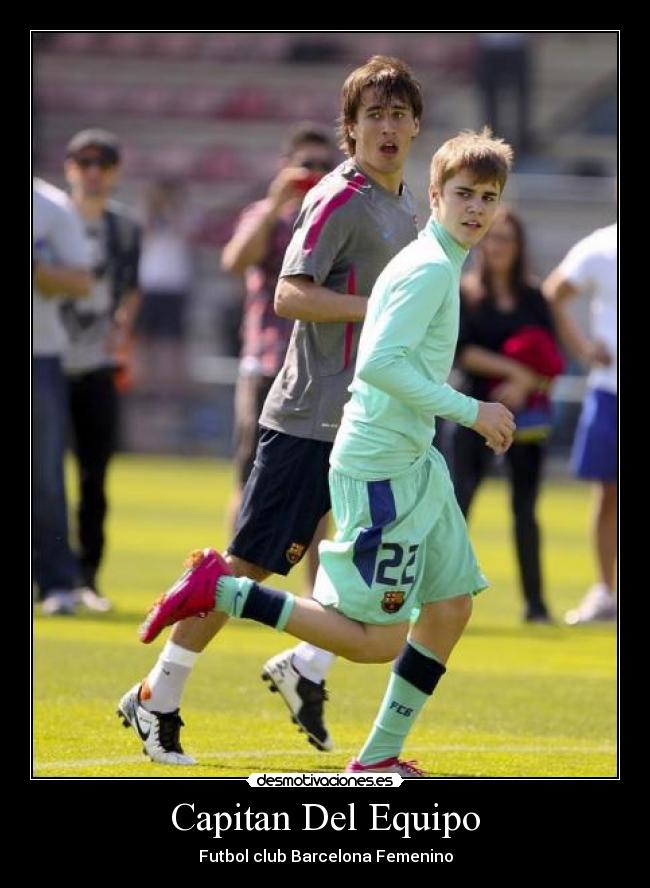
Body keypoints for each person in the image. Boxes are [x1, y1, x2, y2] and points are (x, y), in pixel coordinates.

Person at [121, 128, 515, 775]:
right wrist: (474, 411)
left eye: (488, 197)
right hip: (383, 465)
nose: (476, 207)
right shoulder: (427, 270)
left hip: (415, 459)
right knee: (375, 641)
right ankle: (225, 590)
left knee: (451, 606)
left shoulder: (437, 261)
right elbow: (380, 365)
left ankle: (378, 758)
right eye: (464, 193)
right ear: (436, 195)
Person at [118, 55, 424, 763]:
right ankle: (157, 695)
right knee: (248, 566)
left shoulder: (406, 204)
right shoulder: (338, 197)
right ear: (350, 128)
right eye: (373, 115)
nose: (387, 127)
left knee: (390, 565)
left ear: (416, 126)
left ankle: (308, 668)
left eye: (398, 114)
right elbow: (290, 293)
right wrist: (378, 308)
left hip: (373, 419)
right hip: (312, 416)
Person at [221, 124, 338, 591]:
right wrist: (276, 204)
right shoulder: (265, 214)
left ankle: (316, 594)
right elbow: (235, 261)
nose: (315, 174)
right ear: (285, 165)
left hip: (319, 368)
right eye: (306, 165)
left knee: (319, 490)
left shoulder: (337, 222)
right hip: (266, 363)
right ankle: (231, 584)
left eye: (324, 166)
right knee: (248, 477)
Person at [451, 207, 564, 623]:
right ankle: (440, 598)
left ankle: (536, 605)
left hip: (524, 417)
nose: (497, 246)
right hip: (471, 411)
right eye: (492, 238)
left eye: (506, 239)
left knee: (526, 510)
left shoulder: (534, 297)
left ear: (519, 247)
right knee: (458, 505)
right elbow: (462, 352)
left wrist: (525, 384)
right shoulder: (465, 293)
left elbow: (551, 357)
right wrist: (515, 371)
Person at [61, 129, 141, 609]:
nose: (93, 173)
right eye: (84, 163)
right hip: (47, 361)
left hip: (96, 363)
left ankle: (86, 577)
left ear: (114, 172)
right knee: (43, 475)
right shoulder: (51, 219)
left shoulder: (124, 228)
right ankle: (51, 575)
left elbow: (130, 289)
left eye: (103, 164)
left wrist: (122, 338)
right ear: (69, 167)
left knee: (95, 477)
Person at [542, 223, 617, 624]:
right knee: (607, 491)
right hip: (609, 389)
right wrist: (584, 349)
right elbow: (554, 292)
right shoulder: (603, 245)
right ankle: (606, 591)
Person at [33, 178, 92, 615]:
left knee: (44, 477)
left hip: (39, 355)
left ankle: (56, 582)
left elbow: (80, 281)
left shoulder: (50, 207)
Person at [136, 177, 194, 395]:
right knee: (145, 338)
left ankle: (170, 387)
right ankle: (144, 385)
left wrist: (173, 210)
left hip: (174, 286)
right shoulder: (145, 216)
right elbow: (142, 233)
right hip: (148, 285)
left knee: (172, 340)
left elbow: (186, 233)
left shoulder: (183, 216)